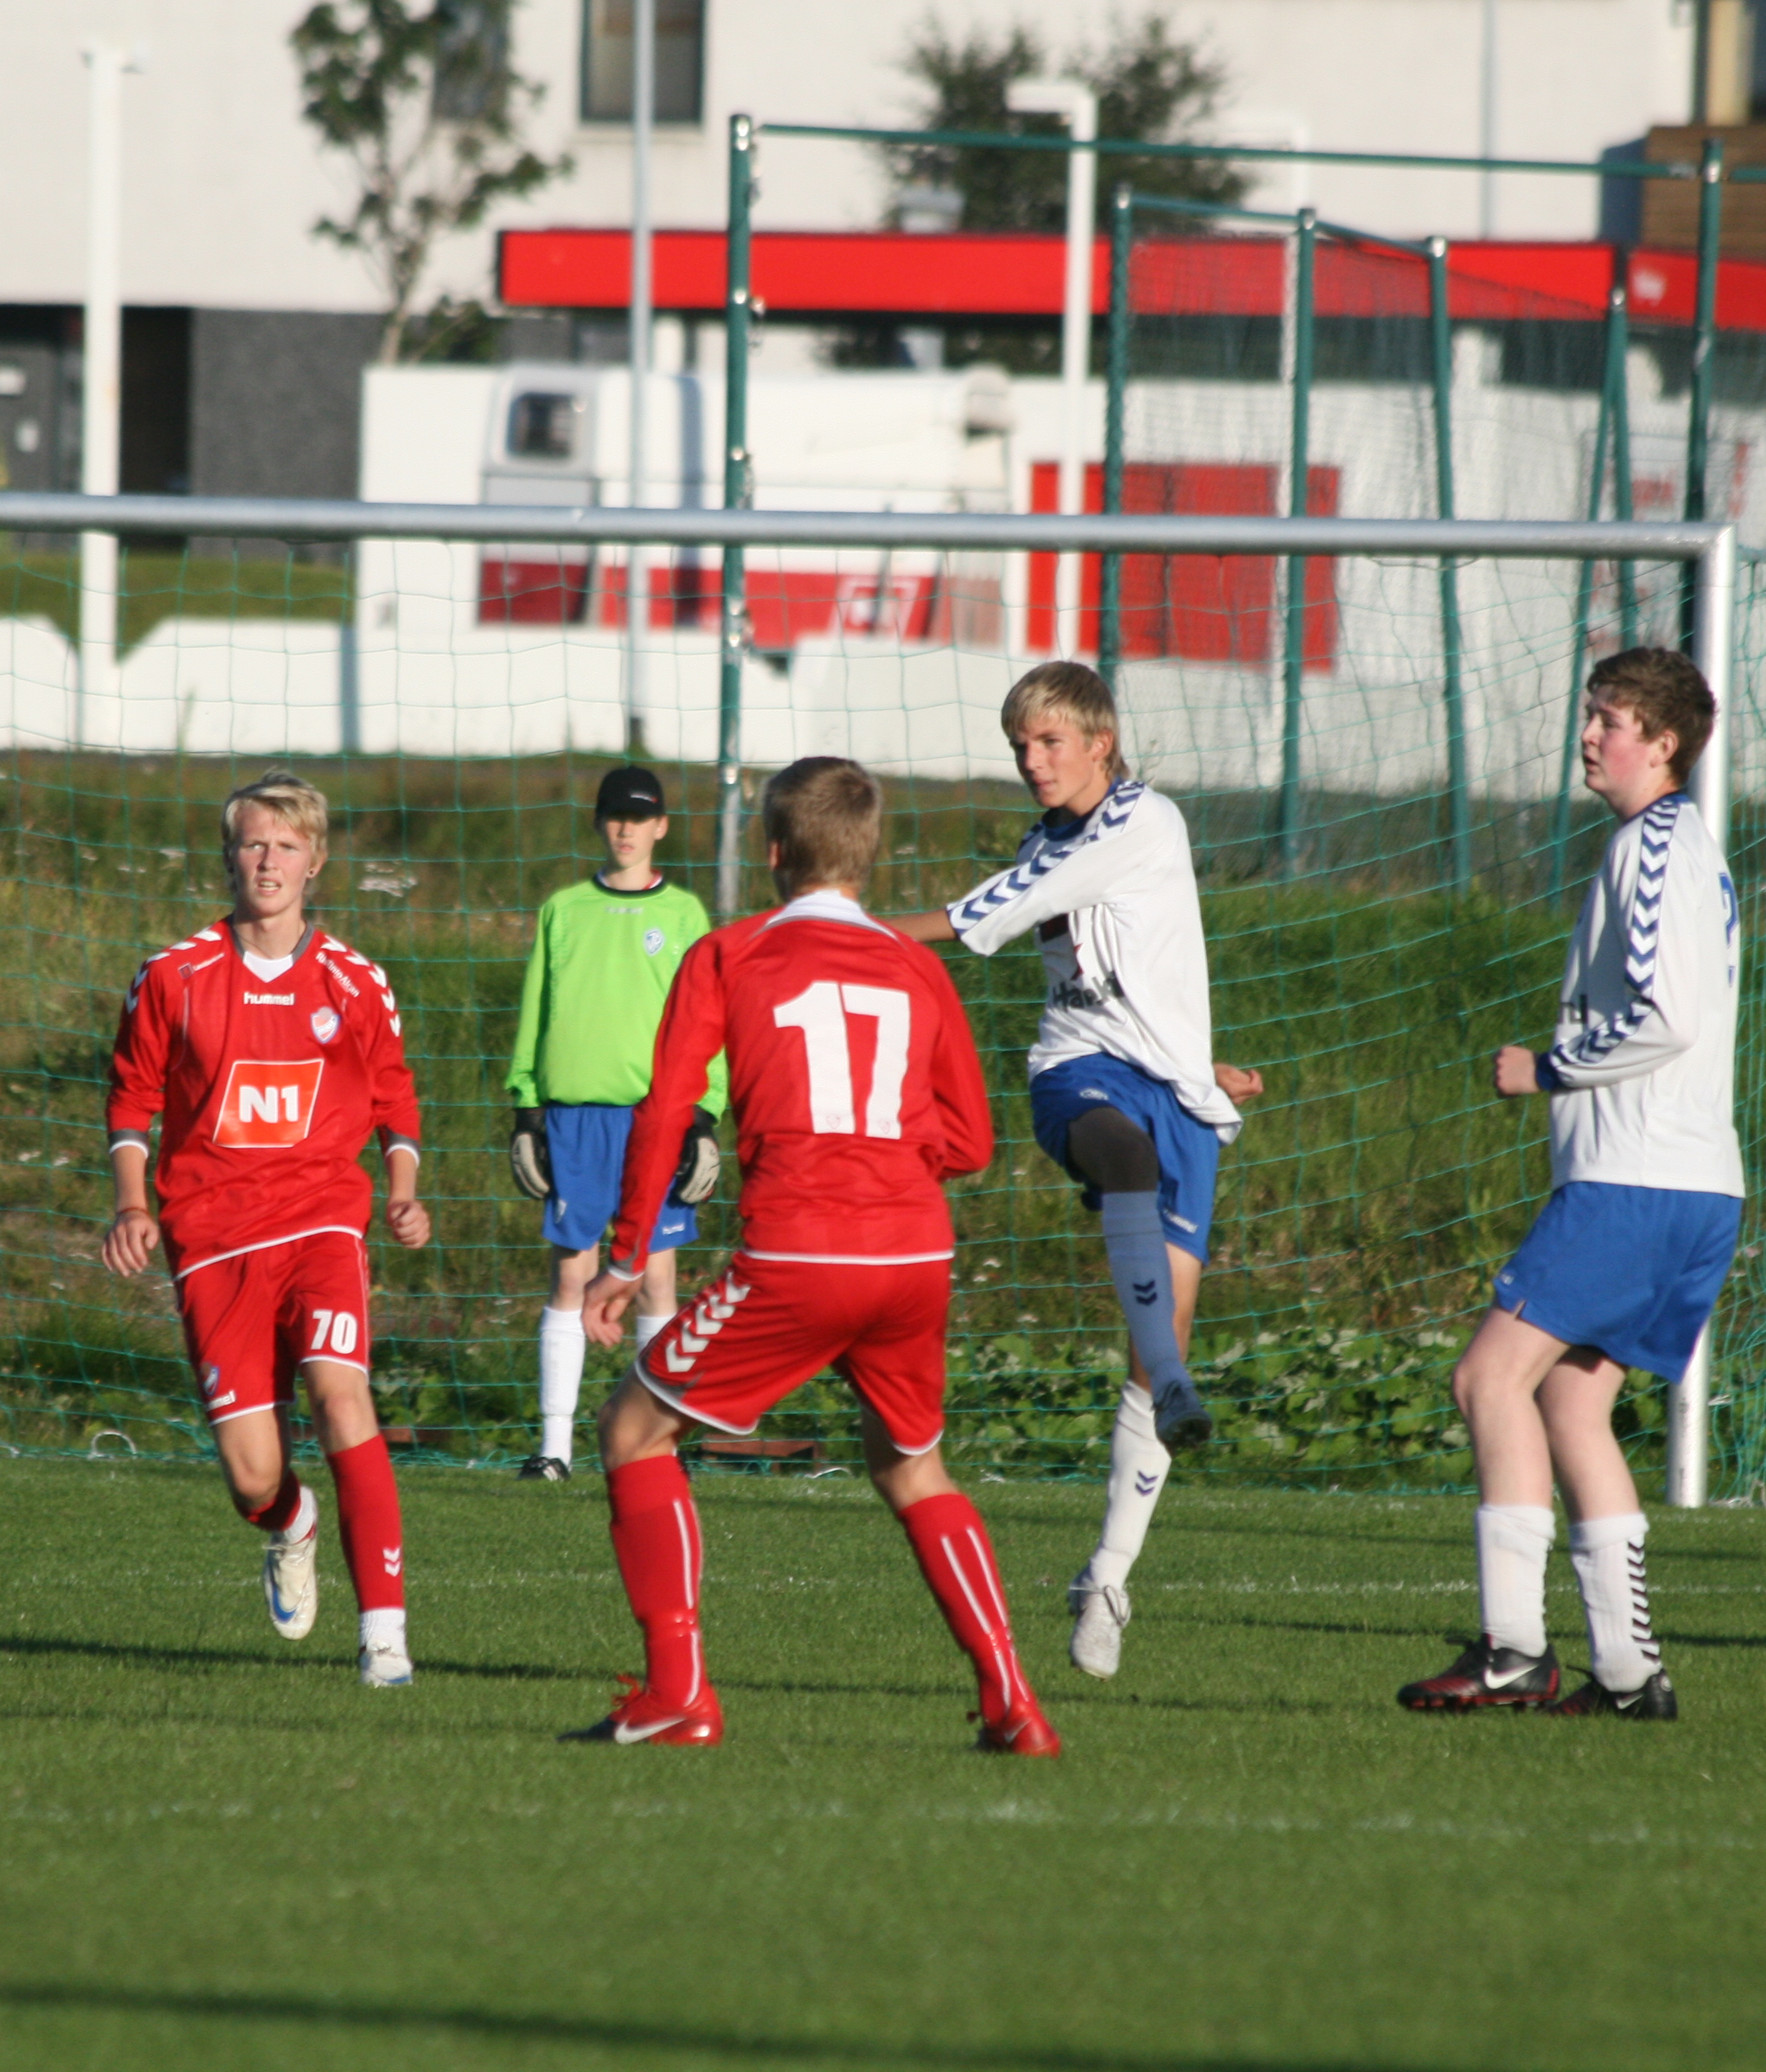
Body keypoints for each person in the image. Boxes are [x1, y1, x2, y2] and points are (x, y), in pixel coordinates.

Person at [571, 755, 1058, 1755]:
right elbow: (971, 1142)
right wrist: (888, 1161)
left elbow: (666, 1110)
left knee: (632, 1430)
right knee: (914, 1468)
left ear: (773, 851)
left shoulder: (729, 952)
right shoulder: (917, 964)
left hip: (801, 1252)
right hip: (913, 1256)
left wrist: (625, 1254)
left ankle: (677, 1695)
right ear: (869, 855)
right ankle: (1013, 1702)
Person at [887, 661, 1262, 1682]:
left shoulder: (1144, 820)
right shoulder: (1043, 840)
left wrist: (855, 928)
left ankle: (1106, 1579)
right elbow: (1089, 969)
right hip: (1077, 1071)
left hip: (1176, 1095)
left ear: (1102, 743)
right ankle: (1177, 1381)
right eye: (1020, 745)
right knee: (1120, 1159)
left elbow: (1007, 914)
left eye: (1049, 741)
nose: (1031, 760)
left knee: (1150, 1344)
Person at [1397, 648, 1740, 1722]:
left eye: (1612, 720)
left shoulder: (1652, 844)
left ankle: (1511, 1651)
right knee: (1571, 1403)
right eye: (1591, 715)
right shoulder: (1680, 844)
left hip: (1637, 1180)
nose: (1590, 735)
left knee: (1486, 1381)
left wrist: (1546, 1069)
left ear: (1665, 744)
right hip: (1691, 1187)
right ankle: (1630, 1676)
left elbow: (1667, 1015)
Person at [100, 771, 433, 1690]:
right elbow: (130, 1098)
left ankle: (384, 1637)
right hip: (213, 1238)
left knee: (342, 1400)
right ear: (229, 856)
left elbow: (396, 1098)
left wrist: (402, 1190)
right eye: (253, 843)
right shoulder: (173, 976)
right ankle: (293, 1523)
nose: (269, 861)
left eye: (287, 845)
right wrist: (133, 1206)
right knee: (252, 1477)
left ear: (315, 860)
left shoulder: (355, 980)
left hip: (323, 1221)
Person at [504, 765, 726, 1481]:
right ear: (600, 823)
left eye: (640, 818)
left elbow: (710, 1022)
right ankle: (555, 1448)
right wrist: (526, 1107)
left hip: (656, 1119)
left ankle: (653, 1443)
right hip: (574, 1118)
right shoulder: (564, 909)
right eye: (615, 816)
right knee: (572, 1275)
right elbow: (536, 1010)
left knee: (656, 1280)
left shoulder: (684, 915)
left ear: (661, 826)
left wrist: (704, 1117)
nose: (626, 829)